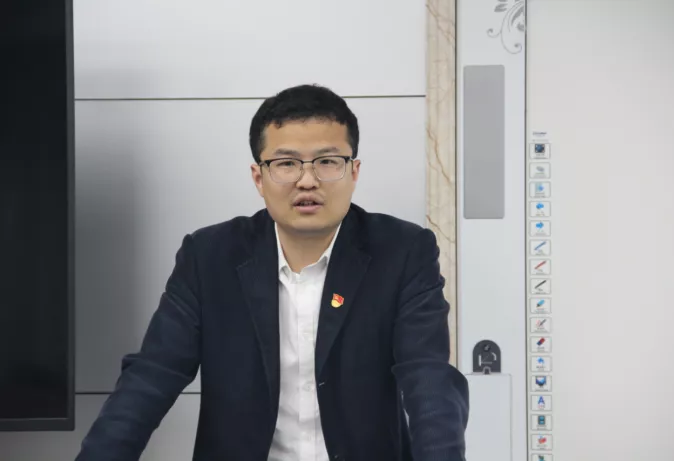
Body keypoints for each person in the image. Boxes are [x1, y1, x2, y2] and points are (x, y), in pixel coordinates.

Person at [75, 84, 469, 461]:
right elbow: (151, 379)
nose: (307, 180)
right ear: (258, 177)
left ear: (354, 172)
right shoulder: (209, 257)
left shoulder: (402, 252)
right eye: (286, 164)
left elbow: (428, 380)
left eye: (328, 161)